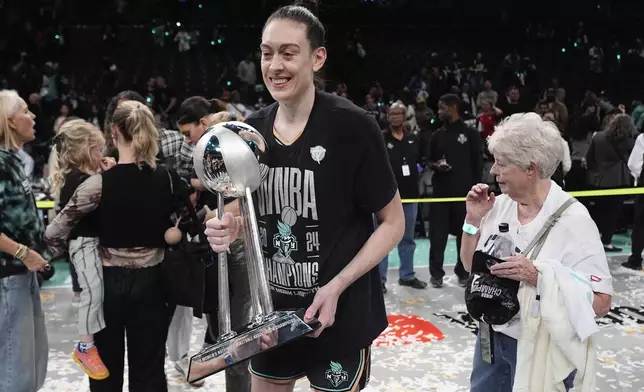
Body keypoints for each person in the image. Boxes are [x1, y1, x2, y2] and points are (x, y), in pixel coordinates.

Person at [204, 1, 405, 391]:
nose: (274, 65)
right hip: (273, 316)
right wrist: (227, 227)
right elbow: (239, 210)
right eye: (266, 53)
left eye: (288, 53)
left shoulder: (353, 127)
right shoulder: (250, 131)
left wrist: (337, 285)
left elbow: (393, 224)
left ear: (317, 58)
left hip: (339, 312)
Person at [460, 113, 613, 391]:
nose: (493, 171)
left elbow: (601, 303)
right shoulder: (498, 206)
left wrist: (538, 277)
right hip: (491, 342)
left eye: (502, 164)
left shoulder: (574, 220)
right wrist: (472, 222)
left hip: (543, 348)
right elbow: (472, 266)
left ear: (531, 168)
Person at [45, 100, 178, 392]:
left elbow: (53, 233)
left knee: (104, 373)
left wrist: (77, 250)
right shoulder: (167, 177)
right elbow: (183, 223)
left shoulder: (97, 184)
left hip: (106, 286)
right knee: (150, 372)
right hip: (154, 282)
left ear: (114, 133)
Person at [172, 103, 251, 391]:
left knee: (237, 334)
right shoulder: (207, 158)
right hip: (215, 251)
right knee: (224, 327)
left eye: (190, 132)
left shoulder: (235, 158)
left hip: (237, 250)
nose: (188, 140)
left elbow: (244, 197)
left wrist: (210, 215)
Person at [48, 119, 116, 380]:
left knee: (95, 289)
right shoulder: (79, 179)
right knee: (92, 291)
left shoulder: (82, 176)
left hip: (90, 242)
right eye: (98, 150)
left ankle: (90, 341)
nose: (102, 155)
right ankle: (85, 346)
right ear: (84, 149)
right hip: (83, 243)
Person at [0, 89, 49, 392]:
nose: (32, 117)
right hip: (8, 277)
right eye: (25, 111)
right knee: (15, 372)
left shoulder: (14, 160)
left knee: (31, 368)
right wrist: (22, 252)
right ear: (10, 121)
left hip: (22, 273)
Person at [428, 93, 482, 288]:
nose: (439, 112)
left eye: (442, 108)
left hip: (464, 195)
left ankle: (463, 272)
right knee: (437, 236)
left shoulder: (470, 133)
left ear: (453, 108)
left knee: (464, 236)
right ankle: (436, 274)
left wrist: (476, 191)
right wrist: (437, 166)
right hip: (441, 194)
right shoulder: (437, 135)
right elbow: (429, 161)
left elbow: (478, 163)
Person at [378, 101, 427, 293]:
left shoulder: (413, 138)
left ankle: (407, 276)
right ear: (387, 117)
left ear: (405, 116)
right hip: (386, 199)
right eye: (393, 114)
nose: (396, 117)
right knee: (382, 240)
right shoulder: (381, 138)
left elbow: (422, 161)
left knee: (408, 239)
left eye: (399, 114)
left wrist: (418, 170)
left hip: (410, 196)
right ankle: (380, 280)